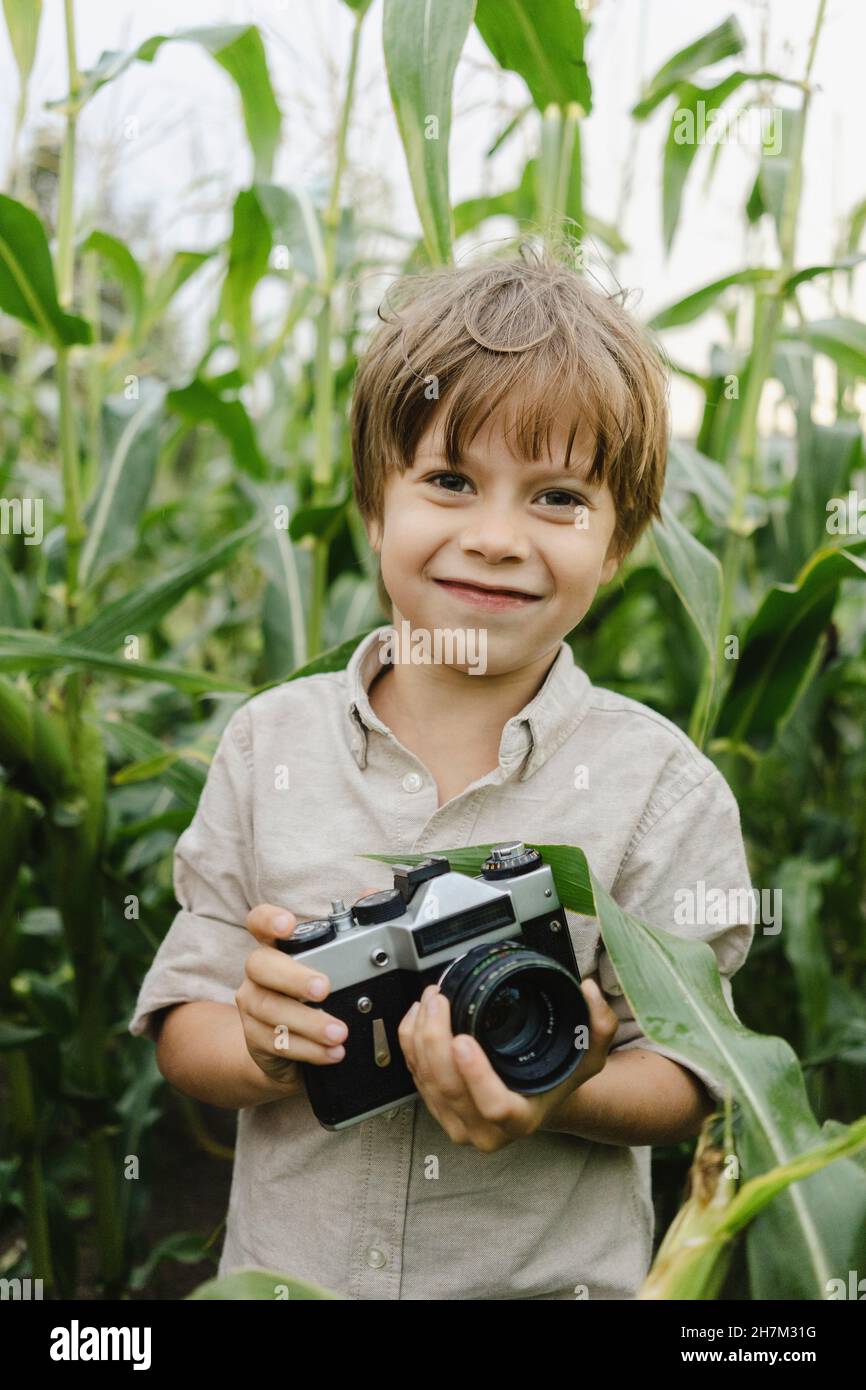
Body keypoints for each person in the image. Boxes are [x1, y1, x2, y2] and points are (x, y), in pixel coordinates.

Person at [129, 242, 755, 1301]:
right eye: (450, 480)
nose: (497, 537)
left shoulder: (661, 790)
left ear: (617, 545)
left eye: (557, 498)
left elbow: (697, 1077)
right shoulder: (266, 748)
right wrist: (262, 1044)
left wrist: (560, 1085)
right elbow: (184, 1025)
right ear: (374, 506)